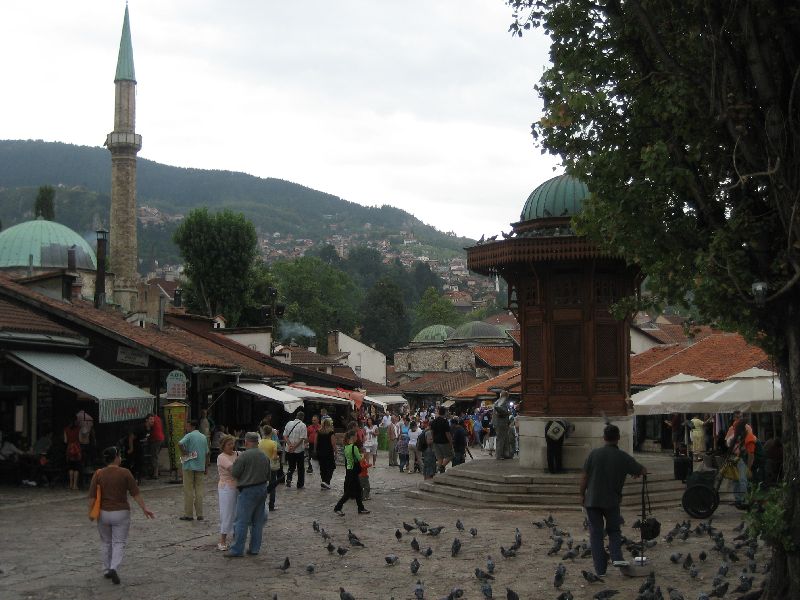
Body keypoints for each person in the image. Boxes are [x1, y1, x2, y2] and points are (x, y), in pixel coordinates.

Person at [580, 424, 647, 577]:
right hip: (611, 500)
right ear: (618, 438)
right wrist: (635, 473)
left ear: (604, 438)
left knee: (596, 535)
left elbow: (584, 477)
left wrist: (581, 494)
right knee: (614, 531)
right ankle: (616, 557)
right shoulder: (623, 457)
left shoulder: (594, 454)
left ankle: (600, 570)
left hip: (592, 500)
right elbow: (642, 470)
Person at [87, 446, 155, 584]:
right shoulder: (125, 473)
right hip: (121, 512)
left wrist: (90, 512)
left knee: (105, 541)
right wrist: (144, 508)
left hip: (103, 513)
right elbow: (135, 493)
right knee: (119, 542)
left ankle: (106, 569)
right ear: (116, 457)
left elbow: (92, 497)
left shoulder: (98, 474)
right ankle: (114, 567)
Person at [226, 432, 270, 557]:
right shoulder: (264, 455)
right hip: (262, 489)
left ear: (246, 442)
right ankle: (254, 549)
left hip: (248, 491)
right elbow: (269, 475)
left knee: (241, 521)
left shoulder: (244, 456)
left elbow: (235, 472)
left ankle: (237, 550)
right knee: (257, 522)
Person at [178, 420, 209, 521]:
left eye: (187, 426)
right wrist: (206, 467)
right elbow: (206, 453)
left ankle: (189, 514)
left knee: (189, 490)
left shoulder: (189, 435)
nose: (186, 428)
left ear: (191, 426)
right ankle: (200, 514)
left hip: (189, 466)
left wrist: (185, 453)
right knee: (199, 490)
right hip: (200, 466)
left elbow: (180, 443)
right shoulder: (204, 437)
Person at [333, 431, 370, 516]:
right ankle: (337, 507)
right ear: (352, 437)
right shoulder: (354, 447)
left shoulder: (346, 447)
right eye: (356, 436)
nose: (357, 438)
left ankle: (361, 508)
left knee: (358, 490)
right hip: (354, 471)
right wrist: (364, 455)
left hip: (349, 471)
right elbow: (360, 459)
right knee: (349, 493)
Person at [727, 418, 757, 508]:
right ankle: (738, 500)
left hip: (752, 461)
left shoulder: (749, 438)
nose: (734, 431)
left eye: (736, 429)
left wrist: (748, 468)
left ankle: (744, 501)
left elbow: (751, 456)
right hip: (742, 459)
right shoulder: (743, 437)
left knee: (742, 480)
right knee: (735, 479)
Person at [216, 434, 238, 551]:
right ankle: (222, 540)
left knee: (236, 514)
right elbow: (233, 469)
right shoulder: (221, 457)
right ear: (223, 446)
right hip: (226, 488)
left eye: (232, 444)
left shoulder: (237, 454)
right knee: (227, 513)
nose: (231, 446)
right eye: (229, 444)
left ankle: (235, 539)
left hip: (237, 487)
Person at [283, 411, 308, 489]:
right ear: (303, 417)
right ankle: (300, 484)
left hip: (289, 449)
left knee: (291, 466)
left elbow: (285, 436)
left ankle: (289, 479)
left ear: (296, 416)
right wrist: (294, 447)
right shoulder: (303, 425)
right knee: (300, 467)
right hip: (299, 450)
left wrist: (290, 445)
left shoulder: (289, 423)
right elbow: (302, 438)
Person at [258, 425, 281, 510]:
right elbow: (274, 457)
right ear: (271, 432)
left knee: (261, 485)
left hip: (261, 466)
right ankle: (271, 505)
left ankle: (261, 504)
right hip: (271, 466)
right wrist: (278, 457)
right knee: (272, 485)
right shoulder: (273, 443)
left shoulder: (259, 442)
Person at [315, 418, 337, 490]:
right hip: (328, 452)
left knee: (322, 467)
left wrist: (315, 450)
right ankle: (326, 482)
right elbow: (333, 443)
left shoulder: (318, 431)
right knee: (331, 467)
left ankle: (324, 481)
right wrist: (336, 452)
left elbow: (315, 442)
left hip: (320, 452)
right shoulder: (331, 432)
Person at [431, 406, 454, 473]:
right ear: (445, 412)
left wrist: (433, 439)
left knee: (439, 458)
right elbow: (447, 434)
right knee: (450, 455)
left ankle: (439, 471)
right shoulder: (445, 421)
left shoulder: (434, 421)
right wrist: (450, 442)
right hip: (444, 442)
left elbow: (432, 432)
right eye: (447, 411)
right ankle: (442, 467)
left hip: (435, 442)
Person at [493, 392, 514, 460]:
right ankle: (499, 455)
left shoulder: (499, 401)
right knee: (501, 439)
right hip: (501, 423)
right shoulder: (501, 400)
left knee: (505, 439)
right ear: (505, 396)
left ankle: (506, 454)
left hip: (501, 423)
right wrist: (507, 412)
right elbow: (498, 408)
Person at [64, 418, 83, 490]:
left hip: (69, 449)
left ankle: (70, 484)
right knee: (76, 468)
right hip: (77, 449)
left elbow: (65, 441)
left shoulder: (66, 429)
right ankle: (75, 485)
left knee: (70, 467)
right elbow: (80, 440)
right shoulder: (79, 429)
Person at [145, 413, 164, 479]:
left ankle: (155, 474)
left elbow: (148, 428)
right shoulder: (158, 418)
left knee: (154, 456)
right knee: (155, 455)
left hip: (156, 439)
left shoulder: (152, 419)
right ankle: (155, 471)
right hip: (161, 438)